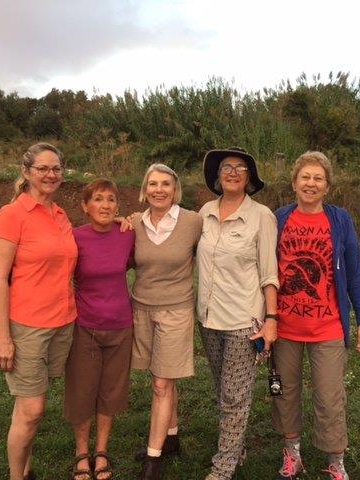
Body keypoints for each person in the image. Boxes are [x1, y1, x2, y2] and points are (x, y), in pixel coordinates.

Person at [272, 151, 360, 480]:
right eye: (305, 177)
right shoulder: (279, 218)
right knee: (284, 392)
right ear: (294, 183)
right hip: (284, 327)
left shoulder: (340, 219)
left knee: (330, 397)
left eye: (318, 178)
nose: (311, 183)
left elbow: (354, 272)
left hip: (328, 327)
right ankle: (292, 454)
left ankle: (335, 459)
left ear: (327, 186)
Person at [0, 143, 77, 480]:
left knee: (29, 407)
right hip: (27, 326)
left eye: (56, 168)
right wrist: (3, 337)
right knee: (32, 409)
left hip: (63, 322)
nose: (51, 174)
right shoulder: (11, 215)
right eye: (43, 168)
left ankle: (25, 468)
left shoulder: (60, 214)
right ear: (26, 172)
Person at [197, 147, 279, 480]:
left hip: (243, 322)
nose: (232, 172)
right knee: (224, 390)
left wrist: (271, 320)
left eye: (240, 168)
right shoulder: (204, 212)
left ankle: (223, 467)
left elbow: (269, 272)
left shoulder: (262, 216)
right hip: (208, 319)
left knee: (234, 396)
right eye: (226, 167)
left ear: (249, 178)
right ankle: (236, 444)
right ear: (217, 177)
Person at [130, 163, 203, 480]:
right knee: (160, 379)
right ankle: (171, 436)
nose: (159, 190)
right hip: (142, 309)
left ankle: (153, 458)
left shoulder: (193, 222)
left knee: (162, 383)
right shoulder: (134, 223)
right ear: (145, 190)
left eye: (165, 184)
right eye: (153, 184)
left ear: (175, 190)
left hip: (176, 310)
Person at [64, 179, 135, 480]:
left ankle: (102, 450)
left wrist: (130, 220)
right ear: (85, 206)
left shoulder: (128, 234)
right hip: (85, 326)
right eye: (98, 199)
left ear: (118, 206)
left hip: (121, 325)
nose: (105, 205)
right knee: (82, 391)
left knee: (111, 391)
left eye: (111, 199)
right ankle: (82, 452)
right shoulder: (74, 237)